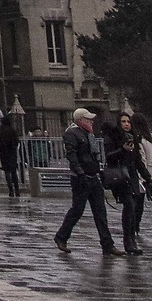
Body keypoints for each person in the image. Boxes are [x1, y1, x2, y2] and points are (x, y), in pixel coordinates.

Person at [53, 107, 119, 256]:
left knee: (100, 212)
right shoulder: (72, 133)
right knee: (77, 210)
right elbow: (72, 155)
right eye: (88, 119)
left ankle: (107, 244)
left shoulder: (89, 134)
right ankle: (61, 237)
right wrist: (80, 172)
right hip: (80, 178)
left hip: (93, 176)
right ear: (80, 120)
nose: (91, 121)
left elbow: (94, 155)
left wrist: (98, 170)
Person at [104, 112, 147, 254]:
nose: (126, 124)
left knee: (134, 207)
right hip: (120, 176)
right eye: (123, 121)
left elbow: (137, 160)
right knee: (129, 205)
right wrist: (122, 149)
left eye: (128, 121)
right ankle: (128, 241)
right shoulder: (112, 137)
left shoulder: (133, 137)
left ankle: (132, 239)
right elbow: (109, 157)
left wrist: (147, 178)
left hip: (132, 176)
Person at [0, 110, 23, 200]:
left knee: (7, 172)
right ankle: (17, 190)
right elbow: (16, 141)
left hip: (4, 153)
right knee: (14, 172)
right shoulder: (13, 130)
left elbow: (1, 143)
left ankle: (10, 190)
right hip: (12, 153)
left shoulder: (1, 131)